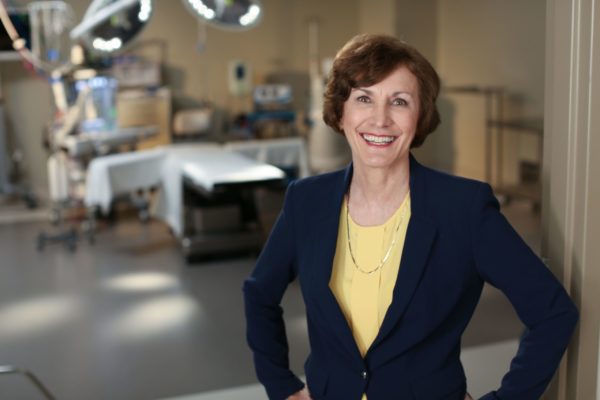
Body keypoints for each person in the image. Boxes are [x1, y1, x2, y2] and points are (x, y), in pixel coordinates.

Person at [243, 33, 578, 400]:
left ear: (420, 117)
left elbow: (552, 312)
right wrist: (281, 387)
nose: (380, 119)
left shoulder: (463, 208)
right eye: (364, 98)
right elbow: (259, 294)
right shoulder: (306, 201)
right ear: (341, 112)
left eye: (399, 102)